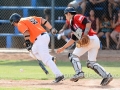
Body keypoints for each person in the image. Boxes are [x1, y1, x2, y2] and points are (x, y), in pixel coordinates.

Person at [57, 7, 113, 86]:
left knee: (73, 56)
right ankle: (107, 76)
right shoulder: (73, 24)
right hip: (94, 40)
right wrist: (63, 48)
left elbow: (88, 22)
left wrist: (85, 34)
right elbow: (74, 38)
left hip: (90, 38)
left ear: (69, 13)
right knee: (91, 63)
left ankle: (79, 73)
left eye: (65, 14)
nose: (65, 16)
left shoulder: (76, 17)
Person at [9, 13, 64, 83]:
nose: (15, 26)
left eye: (13, 24)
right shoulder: (30, 18)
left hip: (40, 40)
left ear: (15, 21)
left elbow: (26, 32)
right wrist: (51, 28)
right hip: (43, 37)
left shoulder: (20, 23)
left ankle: (59, 75)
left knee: (46, 60)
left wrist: (27, 42)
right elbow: (43, 20)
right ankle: (51, 58)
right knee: (33, 53)